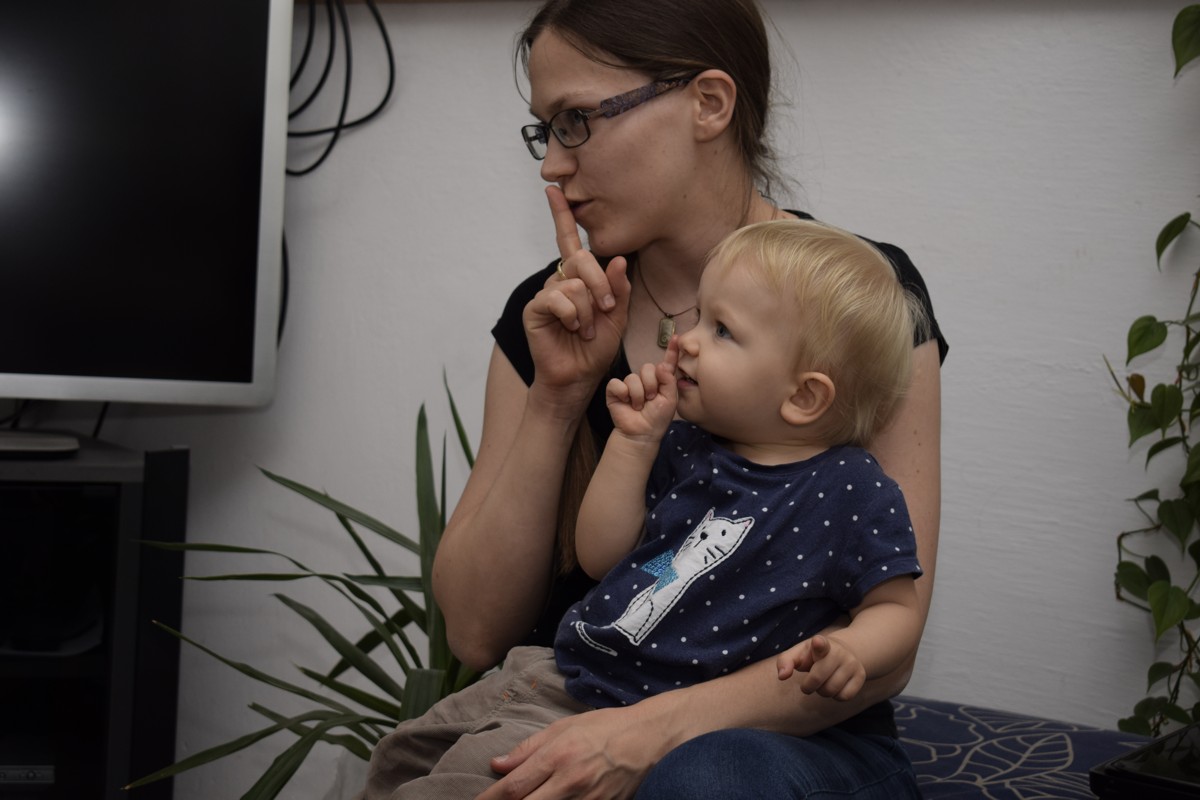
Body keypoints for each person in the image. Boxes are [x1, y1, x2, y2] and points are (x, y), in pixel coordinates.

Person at [429, 1, 948, 797]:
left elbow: (889, 643)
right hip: (573, 705)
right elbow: (473, 631)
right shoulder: (551, 313)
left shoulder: (859, 307)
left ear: (708, 103)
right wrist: (559, 397)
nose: (552, 166)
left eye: (576, 121)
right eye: (545, 131)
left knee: (706, 777)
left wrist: (645, 735)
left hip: (775, 745)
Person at [362, 219, 926, 799]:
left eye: (723, 330)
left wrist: (853, 649)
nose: (687, 340)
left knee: (458, 785)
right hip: (571, 677)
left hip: (656, 715)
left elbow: (896, 610)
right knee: (399, 762)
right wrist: (632, 445)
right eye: (699, 316)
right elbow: (600, 555)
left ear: (803, 396)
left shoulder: (851, 488)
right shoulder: (685, 446)